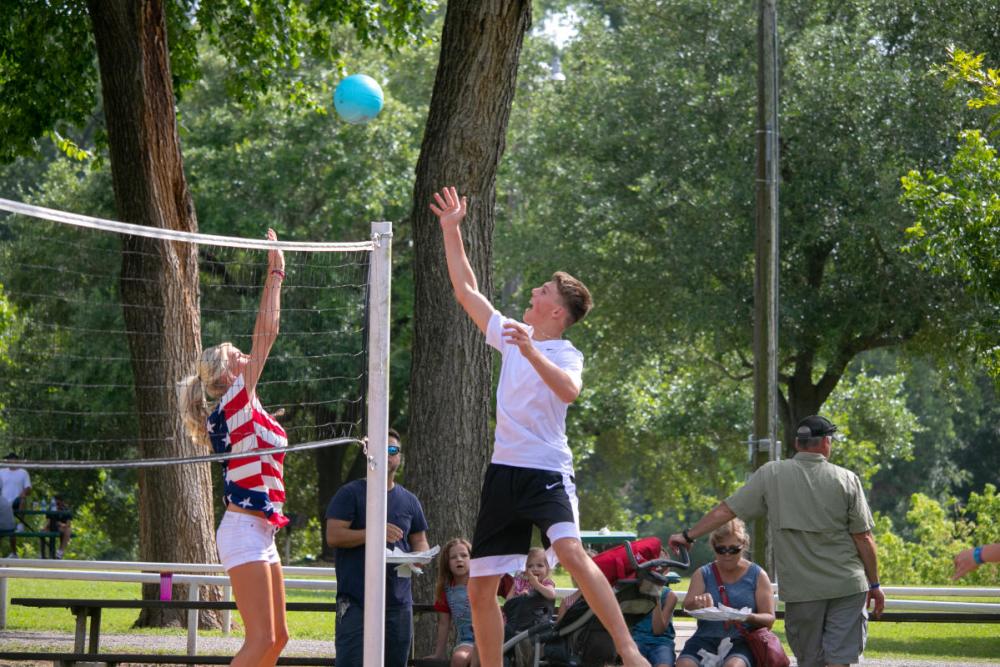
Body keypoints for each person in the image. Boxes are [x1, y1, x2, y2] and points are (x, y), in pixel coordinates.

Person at [431, 186, 649, 667]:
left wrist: (530, 351)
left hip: (546, 470)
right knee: (482, 587)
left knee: (570, 551)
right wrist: (452, 229)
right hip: (503, 473)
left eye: (543, 292)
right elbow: (466, 290)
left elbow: (569, 391)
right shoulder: (513, 335)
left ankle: (629, 651)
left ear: (556, 312)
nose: (533, 292)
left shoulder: (563, 352)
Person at [668, 415, 885, 667]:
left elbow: (727, 510)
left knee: (809, 660)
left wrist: (687, 536)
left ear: (796, 443)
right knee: (840, 660)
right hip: (847, 584)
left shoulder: (771, 473)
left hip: (803, 590)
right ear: (826, 442)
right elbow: (864, 537)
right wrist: (875, 583)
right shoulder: (847, 479)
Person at [178, 228, 288, 667]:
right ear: (227, 374)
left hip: (261, 530)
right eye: (238, 354)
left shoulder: (244, 406)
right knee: (260, 640)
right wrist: (275, 271)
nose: (247, 354)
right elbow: (269, 329)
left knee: (278, 639)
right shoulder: (235, 398)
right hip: (242, 530)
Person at [325, 428, 430, 667]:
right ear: (369, 454)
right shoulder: (350, 493)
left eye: (393, 450)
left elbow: (419, 541)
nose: (388, 455)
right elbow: (333, 536)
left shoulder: (410, 500)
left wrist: (419, 557)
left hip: (398, 604)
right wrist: (375, 532)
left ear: (400, 457)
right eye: (382, 449)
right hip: (355, 602)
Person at [675, 520, 774, 667]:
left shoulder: (757, 575)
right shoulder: (703, 573)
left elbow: (769, 619)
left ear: (744, 546)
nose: (727, 554)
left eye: (734, 549)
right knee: (684, 664)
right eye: (721, 549)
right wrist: (697, 603)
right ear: (713, 547)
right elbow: (687, 606)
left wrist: (747, 616)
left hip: (741, 640)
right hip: (704, 638)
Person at [428, 537, 478, 667]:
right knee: (459, 658)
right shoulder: (446, 590)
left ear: (472, 559)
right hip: (468, 641)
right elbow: (444, 624)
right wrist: (439, 654)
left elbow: (511, 590)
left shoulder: (483, 583)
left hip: (491, 637)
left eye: (464, 555)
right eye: (453, 557)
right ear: (447, 563)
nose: (459, 559)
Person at [631, 560, 678, 667]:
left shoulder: (670, 596)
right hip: (637, 641)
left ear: (667, 570)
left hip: (661, 643)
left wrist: (656, 597)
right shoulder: (634, 592)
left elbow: (658, 630)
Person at [0, 453, 32, 558]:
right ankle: (12, 553)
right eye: (8, 459)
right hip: (3, 503)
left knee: (23, 499)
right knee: (7, 529)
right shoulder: (1, 472)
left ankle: (21, 523)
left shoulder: (23, 472)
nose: (10, 461)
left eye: (12, 459)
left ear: (16, 460)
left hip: (16, 501)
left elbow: (28, 488)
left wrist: (23, 493)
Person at [45, 495, 73, 559]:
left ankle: (60, 552)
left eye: (58, 503)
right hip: (51, 527)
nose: (57, 505)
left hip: (61, 528)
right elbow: (48, 522)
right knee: (42, 532)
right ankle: (43, 554)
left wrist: (60, 524)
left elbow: (68, 524)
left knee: (68, 530)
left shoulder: (66, 510)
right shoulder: (51, 509)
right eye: (55, 504)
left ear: (62, 502)